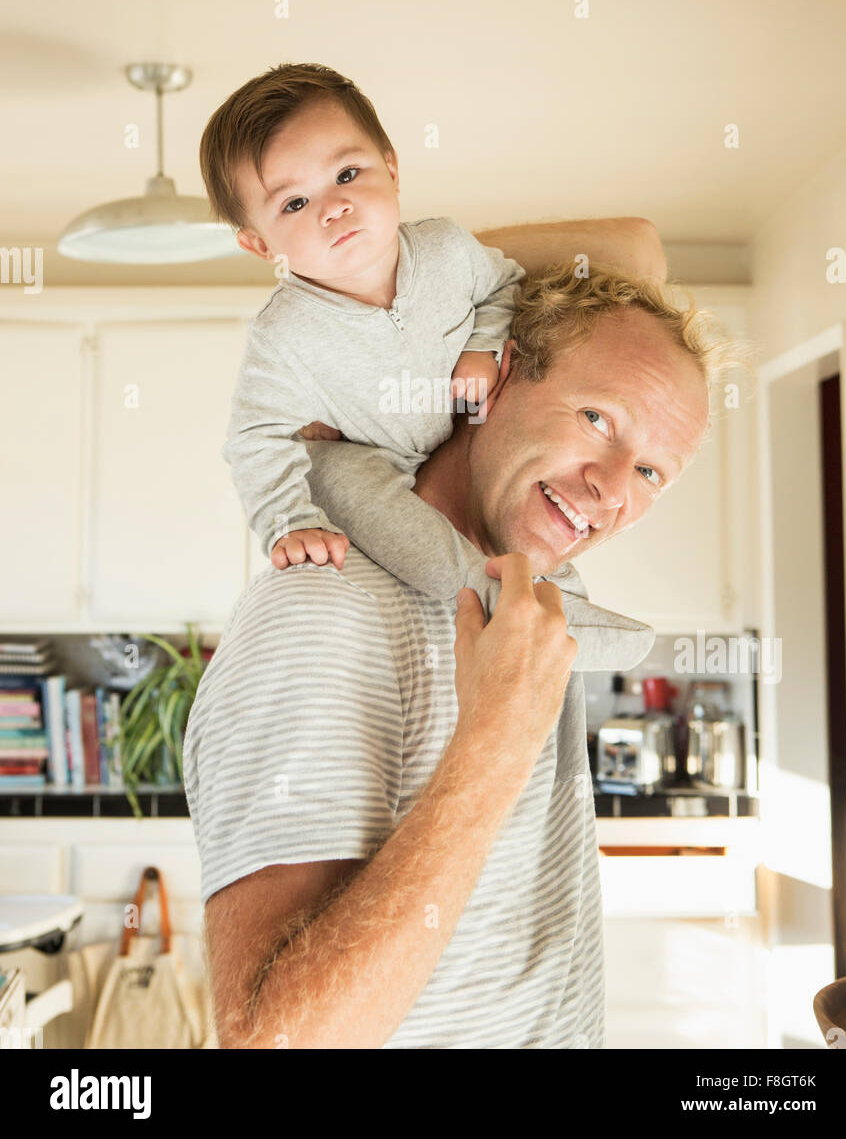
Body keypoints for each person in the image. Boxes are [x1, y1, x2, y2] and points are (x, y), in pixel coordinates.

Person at [183, 243, 734, 1049]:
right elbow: (274, 1042)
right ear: (497, 376)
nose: (611, 490)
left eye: (651, 471)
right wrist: (495, 740)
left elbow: (638, 240)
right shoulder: (320, 612)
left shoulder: (531, 609)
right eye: (598, 420)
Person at [200, 61, 662, 615]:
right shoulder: (284, 335)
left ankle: (558, 600)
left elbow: (504, 286)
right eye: (294, 204)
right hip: (375, 459)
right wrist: (287, 521)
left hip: (465, 444)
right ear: (258, 243)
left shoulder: (447, 248)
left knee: (530, 505)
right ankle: (484, 598)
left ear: (392, 170)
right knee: (348, 484)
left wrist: (483, 348)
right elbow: (255, 439)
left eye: (347, 174)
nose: (334, 207)